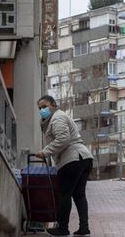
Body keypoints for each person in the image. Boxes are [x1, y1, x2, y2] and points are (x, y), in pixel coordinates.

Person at [35, 95, 93, 236]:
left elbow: (63, 139)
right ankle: (84, 227)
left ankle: (62, 228)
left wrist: (45, 152)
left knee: (64, 194)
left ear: (53, 104)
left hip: (72, 159)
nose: (42, 110)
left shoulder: (57, 118)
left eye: (44, 106)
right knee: (79, 195)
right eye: (40, 108)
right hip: (84, 158)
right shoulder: (55, 118)